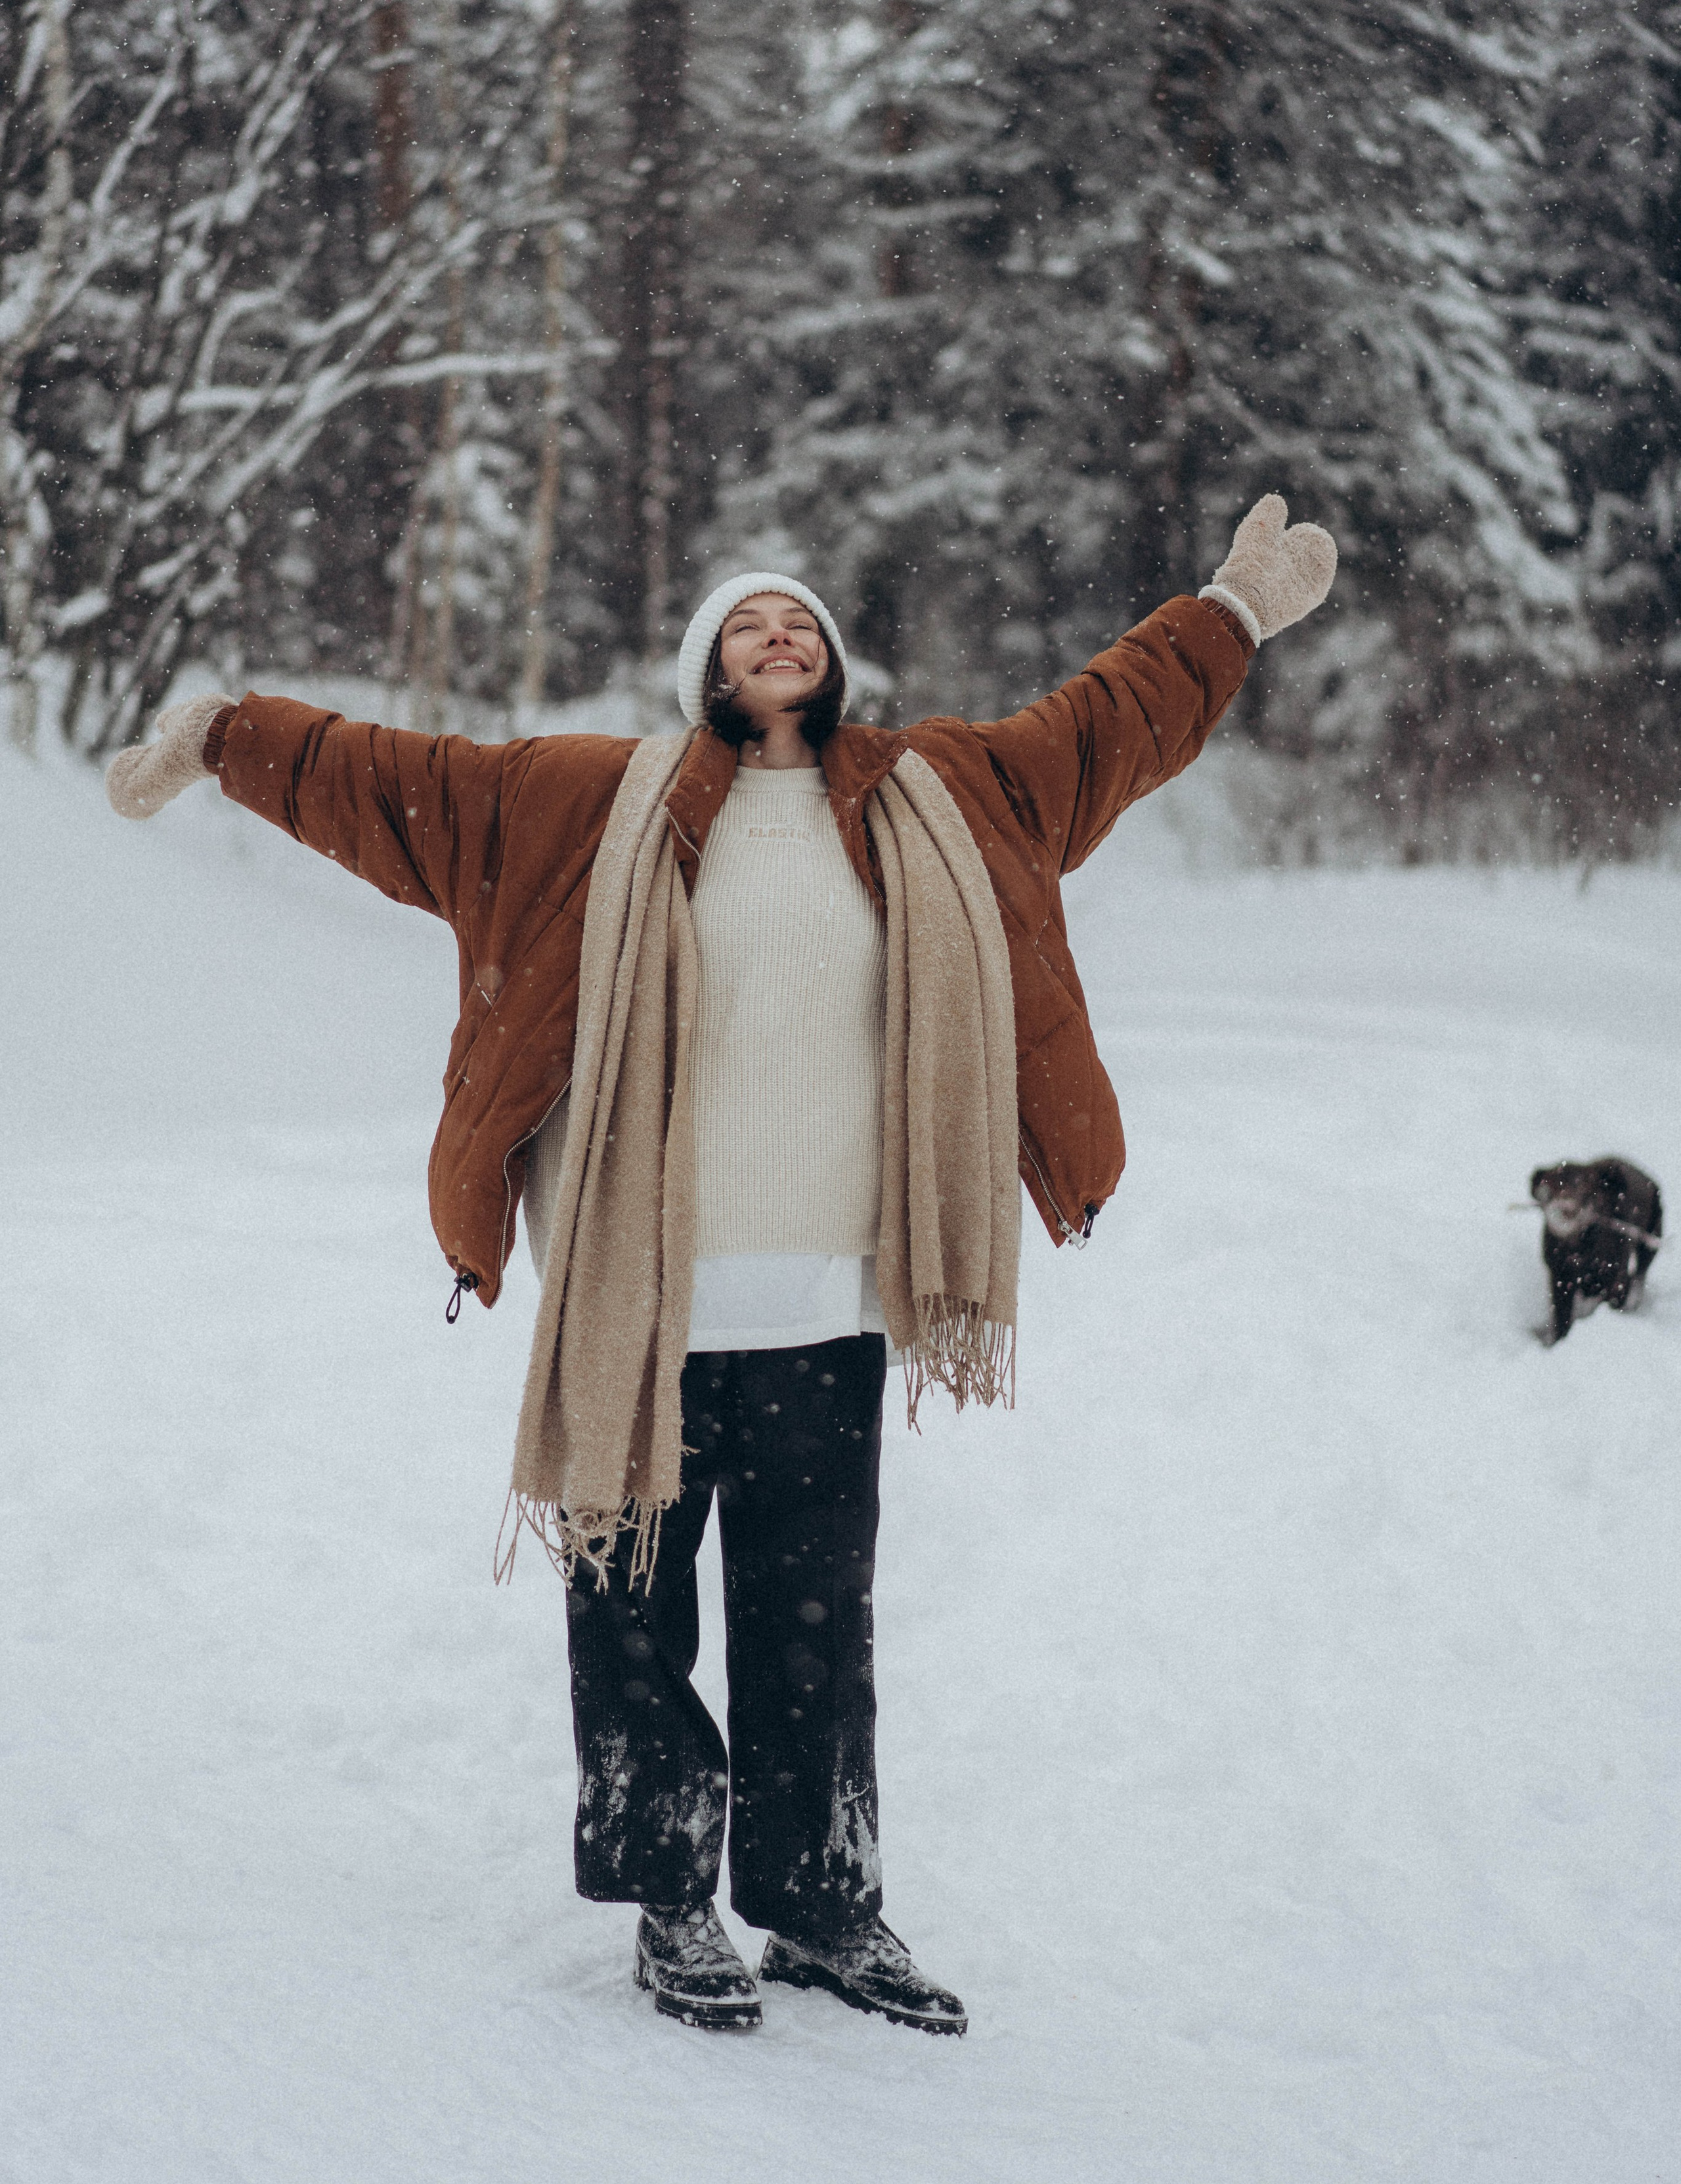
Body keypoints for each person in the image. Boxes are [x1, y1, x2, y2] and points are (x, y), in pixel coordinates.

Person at [108, 494, 1336, 2036]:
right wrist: (226, 732)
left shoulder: (944, 793)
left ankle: (825, 1907)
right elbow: (394, 783)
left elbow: (1104, 728)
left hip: (832, 1300)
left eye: (801, 617)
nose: (780, 629)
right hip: (646, 1302)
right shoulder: (582, 802)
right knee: (632, 1611)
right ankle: (671, 1900)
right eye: (748, 617)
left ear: (832, 664)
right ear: (705, 667)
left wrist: (1223, 610)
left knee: (816, 1618)